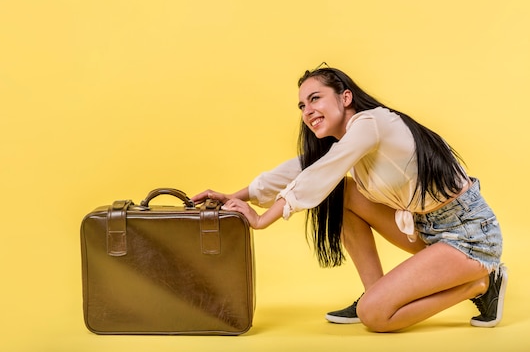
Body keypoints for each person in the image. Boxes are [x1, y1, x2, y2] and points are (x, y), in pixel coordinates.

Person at [192, 65, 506, 332]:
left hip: (469, 236)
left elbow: (320, 175)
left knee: (375, 317)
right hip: (426, 227)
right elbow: (300, 169)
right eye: (302, 106)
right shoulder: (346, 142)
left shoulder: (369, 124)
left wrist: (262, 219)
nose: (308, 111)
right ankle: (377, 292)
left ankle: (479, 283)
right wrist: (235, 196)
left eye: (315, 98)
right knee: (344, 194)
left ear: (345, 97)